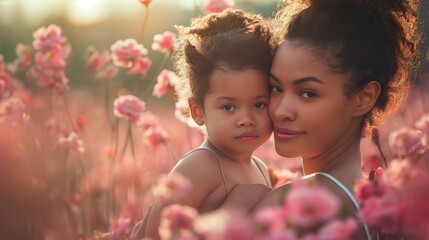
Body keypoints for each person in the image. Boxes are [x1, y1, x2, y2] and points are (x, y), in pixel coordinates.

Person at [222, 0, 420, 239]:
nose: (281, 111)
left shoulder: (296, 206)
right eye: (276, 88)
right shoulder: (370, 209)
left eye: (307, 93)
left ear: (363, 97)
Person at [130, 8, 274, 240]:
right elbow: (153, 235)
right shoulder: (201, 165)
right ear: (198, 111)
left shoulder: (258, 166)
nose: (246, 119)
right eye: (228, 107)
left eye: (259, 105)